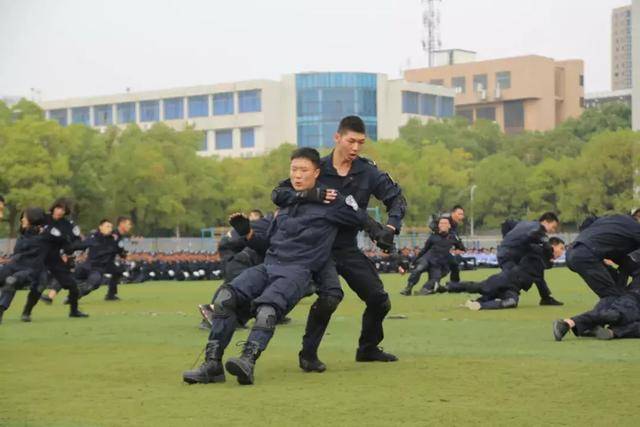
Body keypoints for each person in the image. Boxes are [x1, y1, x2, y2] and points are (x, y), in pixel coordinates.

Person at [182, 147, 377, 385]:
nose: (297, 175)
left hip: (298, 271)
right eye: (294, 169)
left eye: (303, 170)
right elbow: (268, 245)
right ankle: (212, 365)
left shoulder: (332, 203)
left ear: (317, 172)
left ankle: (247, 361)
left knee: (267, 310)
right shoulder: (285, 206)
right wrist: (248, 234)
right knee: (224, 298)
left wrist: (381, 230)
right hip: (269, 266)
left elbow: (360, 217)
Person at [272, 115, 406, 372]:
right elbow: (280, 194)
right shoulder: (316, 168)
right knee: (330, 298)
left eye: (361, 143)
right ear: (337, 138)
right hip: (317, 247)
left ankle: (368, 348)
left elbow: (397, 199)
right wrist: (311, 193)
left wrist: (391, 227)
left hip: (347, 248)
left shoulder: (368, 172)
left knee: (379, 300)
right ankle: (308, 355)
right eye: (350, 141)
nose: (355, 148)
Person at [442, 237, 565, 310]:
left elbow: (540, 279)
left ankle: (479, 305)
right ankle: (448, 287)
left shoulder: (542, 259)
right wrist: (546, 298)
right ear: (553, 246)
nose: (562, 252)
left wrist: (546, 298)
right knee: (479, 287)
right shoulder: (536, 252)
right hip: (506, 278)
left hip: (515, 287)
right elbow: (525, 243)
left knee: (511, 302)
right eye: (561, 248)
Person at [21, 198, 88, 321]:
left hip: (55, 258)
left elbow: (74, 241)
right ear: (54, 207)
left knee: (73, 286)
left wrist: (73, 247)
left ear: (66, 211)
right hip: (39, 256)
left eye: (63, 209)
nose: (60, 211)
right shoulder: (42, 218)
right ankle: (26, 313)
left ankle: (74, 311)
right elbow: (27, 228)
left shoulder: (68, 225)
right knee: (39, 285)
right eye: (58, 208)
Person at [566, 210, 640, 298]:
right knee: (612, 296)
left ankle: (624, 301)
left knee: (615, 282)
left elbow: (587, 222)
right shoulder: (635, 228)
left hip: (574, 251)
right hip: (586, 256)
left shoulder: (612, 219)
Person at [497, 213, 564, 306]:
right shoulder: (538, 229)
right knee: (511, 280)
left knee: (537, 268)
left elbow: (506, 223)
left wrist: (506, 240)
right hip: (509, 255)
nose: (552, 231)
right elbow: (547, 246)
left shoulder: (525, 223)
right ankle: (487, 298)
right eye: (553, 227)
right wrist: (550, 258)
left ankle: (545, 297)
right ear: (545, 221)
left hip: (509, 252)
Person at [0, 208, 48, 323]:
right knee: (10, 281)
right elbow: (19, 253)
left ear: (33, 219)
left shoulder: (44, 236)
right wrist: (9, 260)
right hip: (17, 266)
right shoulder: (23, 234)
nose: (22, 219)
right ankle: (1, 309)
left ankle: (27, 312)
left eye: (25, 217)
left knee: (17, 281)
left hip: (35, 269)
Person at [400, 216, 464, 296]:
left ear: (449, 226)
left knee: (435, 279)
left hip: (438, 263)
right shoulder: (433, 237)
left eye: (445, 223)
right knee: (419, 269)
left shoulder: (453, 237)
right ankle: (408, 289)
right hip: (427, 258)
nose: (443, 225)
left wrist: (458, 246)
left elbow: (461, 248)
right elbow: (424, 250)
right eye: (441, 223)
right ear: (438, 225)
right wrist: (413, 262)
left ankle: (426, 289)